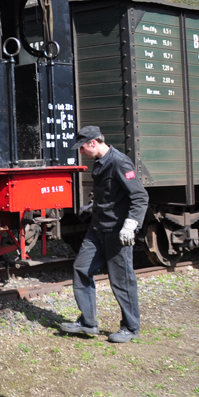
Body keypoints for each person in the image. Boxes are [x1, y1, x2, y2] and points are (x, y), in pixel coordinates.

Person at [60, 125, 148, 344]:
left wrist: (131, 225)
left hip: (117, 233)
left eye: (82, 148)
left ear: (93, 143)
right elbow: (110, 196)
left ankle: (130, 327)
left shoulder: (119, 162)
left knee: (121, 280)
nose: (81, 153)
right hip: (97, 229)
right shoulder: (99, 164)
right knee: (81, 268)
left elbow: (139, 196)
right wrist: (91, 208)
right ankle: (88, 323)